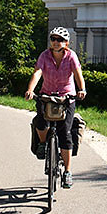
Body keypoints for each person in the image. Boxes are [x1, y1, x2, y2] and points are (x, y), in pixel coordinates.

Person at [25, 27, 86, 188]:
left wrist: (82, 89)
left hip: (66, 98)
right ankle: (44, 143)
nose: (56, 42)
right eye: (53, 39)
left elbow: (78, 73)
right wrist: (30, 90)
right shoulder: (44, 56)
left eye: (60, 40)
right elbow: (37, 72)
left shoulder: (71, 56)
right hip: (46, 95)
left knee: (65, 133)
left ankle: (67, 172)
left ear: (66, 43)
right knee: (41, 123)